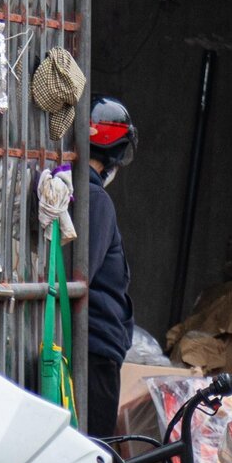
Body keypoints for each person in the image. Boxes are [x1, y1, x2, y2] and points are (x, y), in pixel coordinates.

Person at [84, 97, 136, 439]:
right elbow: (81, 276)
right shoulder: (96, 199)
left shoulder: (75, 190)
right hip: (93, 351)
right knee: (94, 455)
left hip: (91, 347)